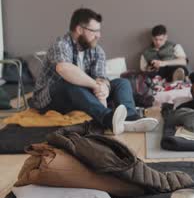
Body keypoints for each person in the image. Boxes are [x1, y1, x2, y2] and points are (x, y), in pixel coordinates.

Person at [29, 8, 158, 134]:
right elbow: (64, 69)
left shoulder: (97, 50)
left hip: (79, 95)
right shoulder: (61, 45)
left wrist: (104, 87)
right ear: (79, 29)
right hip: (49, 99)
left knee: (122, 83)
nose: (99, 35)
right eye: (94, 31)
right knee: (70, 83)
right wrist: (95, 85)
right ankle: (108, 119)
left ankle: (130, 119)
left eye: (99, 31)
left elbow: (100, 78)